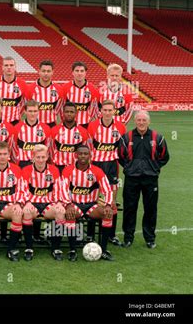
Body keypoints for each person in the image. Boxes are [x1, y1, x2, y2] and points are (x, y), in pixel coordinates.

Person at [118, 110, 169, 249]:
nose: (141, 122)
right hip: (131, 178)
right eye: (139, 120)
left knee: (150, 209)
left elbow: (164, 156)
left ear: (148, 121)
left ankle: (150, 239)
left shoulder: (157, 138)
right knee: (130, 208)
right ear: (135, 121)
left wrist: (154, 168)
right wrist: (130, 168)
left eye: (144, 120)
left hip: (150, 179)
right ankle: (128, 238)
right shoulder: (126, 137)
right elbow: (121, 156)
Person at [62, 145, 115, 261]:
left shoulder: (97, 171)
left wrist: (108, 205)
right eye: (80, 154)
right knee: (69, 214)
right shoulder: (68, 170)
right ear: (76, 155)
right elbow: (63, 189)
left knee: (107, 214)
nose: (83, 156)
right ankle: (72, 250)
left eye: (85, 154)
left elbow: (107, 189)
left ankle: (104, 249)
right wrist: (68, 205)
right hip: (75, 204)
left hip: (91, 205)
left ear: (90, 156)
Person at [21, 144, 70, 261]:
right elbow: (22, 189)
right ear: (32, 157)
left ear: (47, 156)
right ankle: (29, 248)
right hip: (32, 203)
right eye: (38, 157)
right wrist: (27, 202)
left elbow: (58, 188)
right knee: (27, 213)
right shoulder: (26, 170)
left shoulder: (54, 170)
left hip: (49, 204)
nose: (40, 160)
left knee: (60, 212)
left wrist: (59, 202)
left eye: (43, 157)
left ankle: (55, 248)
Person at [88, 100, 126, 246]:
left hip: (111, 165)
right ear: (101, 111)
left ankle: (111, 234)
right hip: (96, 165)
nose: (108, 112)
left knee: (112, 201)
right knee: (92, 199)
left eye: (111, 110)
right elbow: (89, 146)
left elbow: (121, 149)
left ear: (114, 111)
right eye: (105, 110)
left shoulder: (120, 127)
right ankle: (90, 234)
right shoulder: (93, 126)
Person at [50, 102, 89, 174]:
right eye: (67, 111)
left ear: (75, 114)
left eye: (71, 112)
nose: (69, 114)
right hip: (59, 167)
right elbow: (51, 150)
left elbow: (86, 152)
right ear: (63, 113)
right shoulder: (55, 130)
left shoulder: (83, 131)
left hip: (75, 168)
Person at [12, 100, 52, 169]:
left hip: (39, 163)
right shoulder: (17, 128)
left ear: (38, 111)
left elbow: (47, 147)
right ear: (25, 111)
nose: (32, 114)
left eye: (35, 111)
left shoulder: (45, 128)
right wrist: (17, 161)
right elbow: (13, 147)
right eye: (30, 111)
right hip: (22, 163)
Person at [59, 61, 100, 128]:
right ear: (72, 72)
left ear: (85, 73)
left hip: (86, 125)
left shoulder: (93, 89)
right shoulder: (65, 88)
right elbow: (61, 107)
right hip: (68, 124)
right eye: (77, 71)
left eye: (82, 71)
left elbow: (95, 110)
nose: (79, 73)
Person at [0, 56, 28, 125]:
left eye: (11, 65)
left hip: (15, 122)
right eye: (6, 65)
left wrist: (20, 115)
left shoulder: (22, 84)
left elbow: (26, 104)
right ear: (2, 67)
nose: (9, 67)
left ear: (15, 67)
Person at [26, 60, 63, 128]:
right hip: (35, 126)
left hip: (52, 125)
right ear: (39, 72)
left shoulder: (59, 89)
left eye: (48, 71)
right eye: (43, 71)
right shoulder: (30, 88)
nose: (46, 73)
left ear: (52, 72)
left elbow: (59, 110)